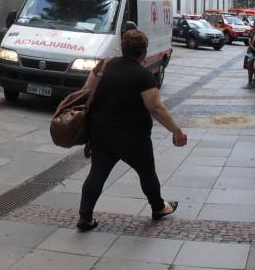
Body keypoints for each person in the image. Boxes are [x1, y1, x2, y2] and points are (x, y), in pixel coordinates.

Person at [78, 29, 187, 231]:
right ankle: (158, 208)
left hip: (101, 131)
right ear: (143, 52)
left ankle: (85, 217)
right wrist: (176, 130)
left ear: (123, 48)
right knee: (147, 173)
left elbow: (85, 92)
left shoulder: (104, 65)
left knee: (97, 173)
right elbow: (155, 108)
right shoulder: (143, 76)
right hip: (132, 137)